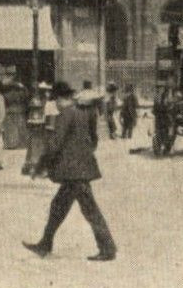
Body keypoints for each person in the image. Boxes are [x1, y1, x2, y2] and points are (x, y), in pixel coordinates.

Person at [24, 82, 117, 262]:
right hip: (79, 170)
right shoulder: (83, 113)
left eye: (55, 100)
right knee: (58, 207)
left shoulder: (65, 115)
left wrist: (40, 166)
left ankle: (108, 248)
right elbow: (93, 139)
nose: (55, 104)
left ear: (60, 99)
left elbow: (54, 145)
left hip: (74, 173)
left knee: (90, 210)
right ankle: (45, 243)